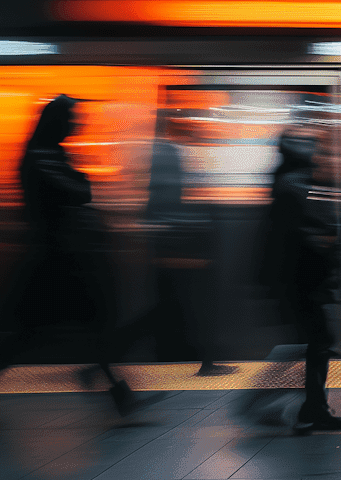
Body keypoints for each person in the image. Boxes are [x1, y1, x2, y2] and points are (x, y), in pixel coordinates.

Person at [0, 95, 151, 415]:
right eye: (72, 117)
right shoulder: (44, 156)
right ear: (57, 120)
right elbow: (80, 190)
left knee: (49, 331)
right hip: (54, 261)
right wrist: (82, 181)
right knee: (37, 332)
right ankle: (119, 395)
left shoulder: (46, 153)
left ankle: (120, 396)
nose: (77, 122)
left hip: (60, 257)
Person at [109, 107, 236, 375]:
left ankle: (110, 356)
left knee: (171, 308)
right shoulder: (168, 153)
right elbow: (171, 203)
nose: (192, 126)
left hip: (174, 243)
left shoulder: (168, 151)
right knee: (185, 306)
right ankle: (109, 357)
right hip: (179, 245)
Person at [261, 119, 341, 432]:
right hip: (303, 280)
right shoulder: (295, 184)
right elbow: (309, 233)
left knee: (315, 344)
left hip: (302, 280)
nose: (317, 151)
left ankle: (313, 408)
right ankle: (297, 407)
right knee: (314, 344)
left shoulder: (288, 180)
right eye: (312, 146)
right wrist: (328, 246)